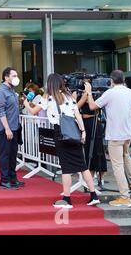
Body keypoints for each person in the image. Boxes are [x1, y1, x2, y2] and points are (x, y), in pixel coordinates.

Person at [24, 73, 100, 209]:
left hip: (60, 133)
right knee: (82, 166)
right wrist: (83, 132)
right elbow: (77, 115)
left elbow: (33, 111)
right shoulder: (69, 96)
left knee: (66, 167)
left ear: (50, 84)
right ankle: (93, 196)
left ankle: (67, 199)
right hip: (74, 131)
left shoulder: (48, 97)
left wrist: (25, 103)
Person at [85, 70, 131, 207]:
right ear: (124, 79)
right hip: (127, 133)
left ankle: (125, 196)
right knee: (126, 157)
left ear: (111, 80)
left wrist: (89, 92)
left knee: (118, 165)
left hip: (115, 134)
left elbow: (92, 106)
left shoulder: (110, 93)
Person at [0, 67, 23, 190]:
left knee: (13, 154)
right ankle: (4, 180)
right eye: (14, 76)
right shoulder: (1, 91)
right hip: (6, 128)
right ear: (6, 77)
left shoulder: (12, 90)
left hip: (14, 127)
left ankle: (13, 178)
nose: (16, 78)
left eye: (16, 75)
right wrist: (7, 128)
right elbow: (1, 111)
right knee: (5, 154)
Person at [76, 84, 107, 184]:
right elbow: (75, 107)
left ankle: (101, 175)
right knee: (87, 147)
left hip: (94, 122)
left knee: (98, 149)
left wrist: (88, 94)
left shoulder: (94, 94)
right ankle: (90, 174)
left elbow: (92, 106)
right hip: (83, 123)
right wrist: (84, 95)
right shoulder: (78, 94)